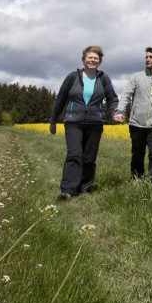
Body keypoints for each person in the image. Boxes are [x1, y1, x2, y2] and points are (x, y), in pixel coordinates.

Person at [49, 45, 118, 200]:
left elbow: (113, 99)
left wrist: (115, 112)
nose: (92, 60)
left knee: (89, 158)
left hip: (95, 124)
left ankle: (85, 187)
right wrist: (53, 120)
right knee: (74, 155)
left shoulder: (104, 78)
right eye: (90, 57)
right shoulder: (72, 77)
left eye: (96, 58)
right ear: (84, 59)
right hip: (73, 122)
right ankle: (67, 190)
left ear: (99, 61)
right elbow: (60, 99)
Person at [112, 47, 152, 185]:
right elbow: (127, 95)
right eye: (146, 57)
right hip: (136, 124)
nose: (147, 59)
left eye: (151, 57)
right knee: (137, 154)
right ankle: (137, 180)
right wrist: (119, 111)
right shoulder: (136, 77)